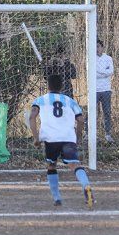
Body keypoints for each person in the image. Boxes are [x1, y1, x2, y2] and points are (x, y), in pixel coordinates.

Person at [28, 74, 94, 209]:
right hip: (68, 137)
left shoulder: (40, 100)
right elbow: (81, 120)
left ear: (48, 86)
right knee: (75, 165)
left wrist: (36, 138)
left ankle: (57, 198)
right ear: (62, 87)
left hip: (51, 139)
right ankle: (86, 185)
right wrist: (78, 137)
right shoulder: (70, 101)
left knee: (51, 166)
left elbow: (32, 117)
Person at [95, 40, 114, 143]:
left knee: (107, 112)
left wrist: (99, 71)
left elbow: (111, 72)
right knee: (93, 113)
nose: (96, 49)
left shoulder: (108, 58)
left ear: (102, 47)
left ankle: (107, 134)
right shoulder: (91, 58)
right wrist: (104, 72)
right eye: (95, 47)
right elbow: (93, 74)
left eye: (98, 46)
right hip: (95, 90)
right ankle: (90, 134)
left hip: (106, 89)